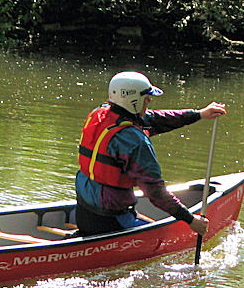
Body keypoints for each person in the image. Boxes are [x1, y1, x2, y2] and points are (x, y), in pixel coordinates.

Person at [75, 70, 226, 236]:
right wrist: (191, 220)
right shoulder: (134, 141)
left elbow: (156, 119)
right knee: (162, 235)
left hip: (84, 213)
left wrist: (198, 114)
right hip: (112, 221)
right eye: (145, 97)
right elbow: (156, 193)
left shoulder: (100, 114)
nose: (149, 100)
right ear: (133, 100)